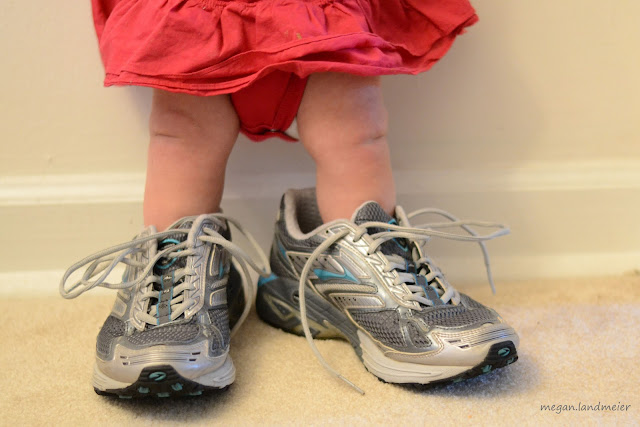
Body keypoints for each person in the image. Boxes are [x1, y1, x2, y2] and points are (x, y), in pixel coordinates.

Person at [59, 0, 519, 398]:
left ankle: (354, 255)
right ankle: (176, 265)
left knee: (354, 128)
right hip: (191, 17)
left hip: (324, 14)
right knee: (183, 134)